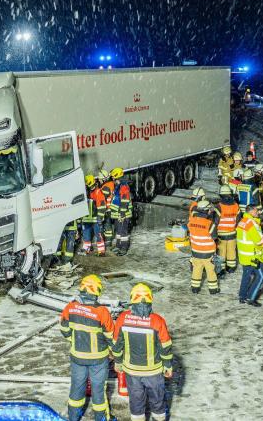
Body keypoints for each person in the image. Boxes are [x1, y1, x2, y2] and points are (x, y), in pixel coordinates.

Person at [113, 283, 173, 421]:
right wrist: (168, 365)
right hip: (153, 371)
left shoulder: (122, 318)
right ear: (150, 300)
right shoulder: (158, 321)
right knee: (157, 401)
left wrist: (118, 362)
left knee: (136, 401)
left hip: (132, 371)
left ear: (132, 300)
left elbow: (116, 345)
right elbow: (166, 347)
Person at [60, 275, 114, 421]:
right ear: (97, 291)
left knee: (77, 389)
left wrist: (76, 341)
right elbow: (111, 337)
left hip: (78, 357)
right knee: (98, 392)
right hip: (98, 359)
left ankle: (72, 418)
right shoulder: (102, 312)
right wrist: (114, 353)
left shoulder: (70, 307)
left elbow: (64, 330)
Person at [237, 203, 263, 306]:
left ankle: (242, 296)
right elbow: (258, 241)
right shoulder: (251, 224)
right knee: (261, 276)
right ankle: (251, 298)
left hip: (244, 255)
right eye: (256, 210)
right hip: (253, 256)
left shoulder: (242, 221)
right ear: (250, 211)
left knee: (246, 276)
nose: (258, 212)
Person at [188, 200, 219, 294]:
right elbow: (214, 237)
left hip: (195, 251)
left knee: (197, 269)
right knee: (211, 271)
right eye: (209, 209)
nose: (210, 211)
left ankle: (195, 288)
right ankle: (213, 289)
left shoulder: (191, 221)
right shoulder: (210, 224)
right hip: (208, 252)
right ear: (206, 210)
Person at [216, 184, 241, 278]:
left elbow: (215, 221)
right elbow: (238, 219)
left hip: (221, 233)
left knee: (222, 252)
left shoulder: (219, 206)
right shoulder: (235, 205)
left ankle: (221, 269)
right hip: (232, 233)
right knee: (231, 251)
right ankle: (231, 267)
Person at [108, 167, 133, 256]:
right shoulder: (119, 186)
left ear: (116, 177)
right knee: (118, 231)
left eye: (113, 177)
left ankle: (123, 248)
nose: (113, 179)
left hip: (123, 214)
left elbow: (125, 201)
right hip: (118, 214)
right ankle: (118, 246)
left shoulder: (124, 186)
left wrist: (122, 214)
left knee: (123, 232)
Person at [82, 175, 107, 256]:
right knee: (86, 235)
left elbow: (102, 206)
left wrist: (100, 218)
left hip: (95, 219)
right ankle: (86, 249)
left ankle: (101, 251)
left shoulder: (98, 192)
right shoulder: (86, 192)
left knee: (98, 235)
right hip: (87, 219)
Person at [98, 169, 115, 247]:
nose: (99, 181)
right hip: (111, 208)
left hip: (107, 209)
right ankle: (108, 241)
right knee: (108, 226)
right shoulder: (111, 184)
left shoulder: (105, 187)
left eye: (100, 179)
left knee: (107, 225)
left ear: (104, 178)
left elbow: (102, 201)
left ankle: (108, 242)